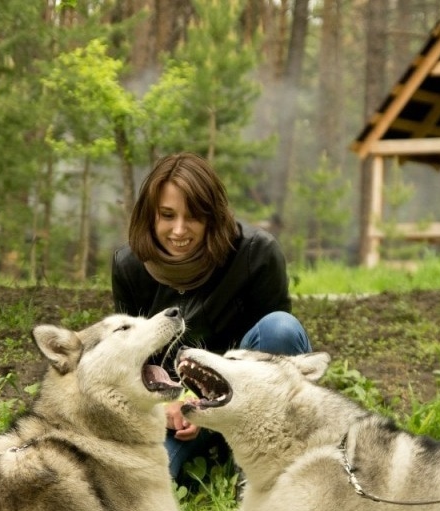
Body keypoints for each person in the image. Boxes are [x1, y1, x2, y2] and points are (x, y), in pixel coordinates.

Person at [111, 152, 311, 489]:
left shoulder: (256, 254)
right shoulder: (129, 266)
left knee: (281, 327)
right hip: (179, 414)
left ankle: (263, 473)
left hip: (249, 405)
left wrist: (210, 399)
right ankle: (215, 458)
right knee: (141, 488)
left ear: (212, 215)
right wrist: (169, 405)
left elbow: (280, 358)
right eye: (167, 215)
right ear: (150, 215)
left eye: (193, 216)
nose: (178, 230)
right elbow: (135, 361)